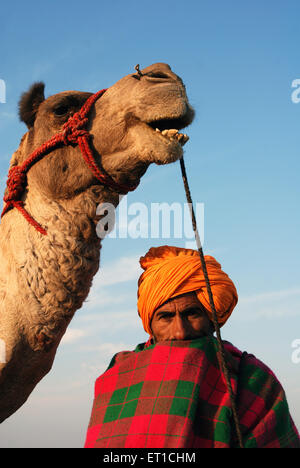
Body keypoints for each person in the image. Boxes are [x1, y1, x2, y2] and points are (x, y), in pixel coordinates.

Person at [84, 246, 300, 448]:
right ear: (149, 323)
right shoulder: (121, 375)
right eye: (166, 317)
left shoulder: (251, 377)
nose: (180, 331)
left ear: (211, 317)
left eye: (192, 314)